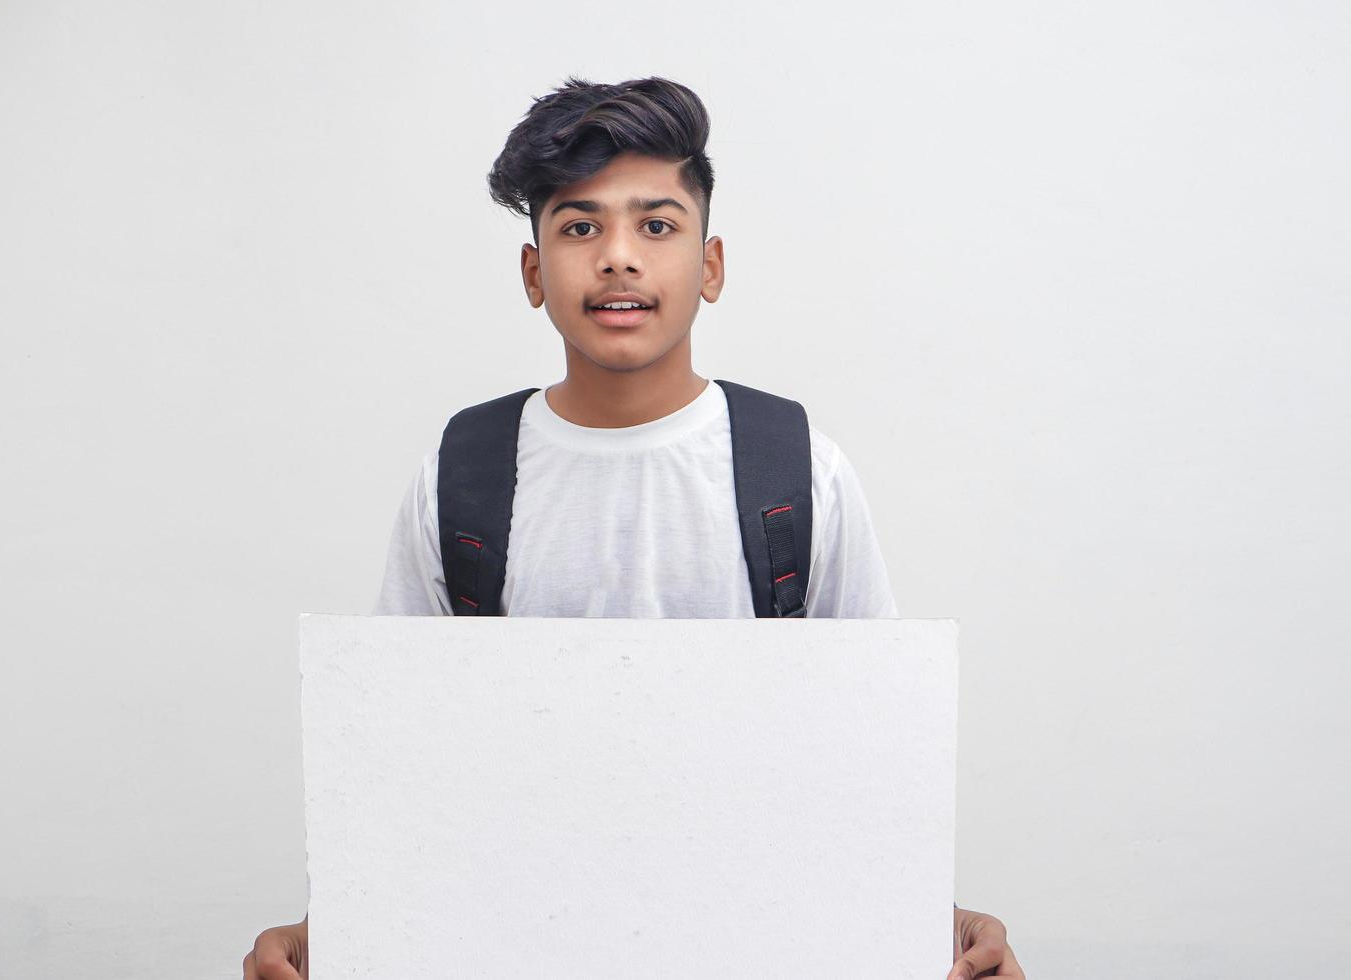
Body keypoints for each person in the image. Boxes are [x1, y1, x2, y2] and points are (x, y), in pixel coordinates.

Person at [244, 75, 1024, 980]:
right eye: (580, 227)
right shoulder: (461, 474)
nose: (618, 257)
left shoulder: (796, 467)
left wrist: (932, 920)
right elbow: (402, 766)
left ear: (713, 264)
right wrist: (333, 928)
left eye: (657, 225)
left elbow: (871, 755)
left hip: (753, 948)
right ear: (534, 273)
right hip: (520, 946)